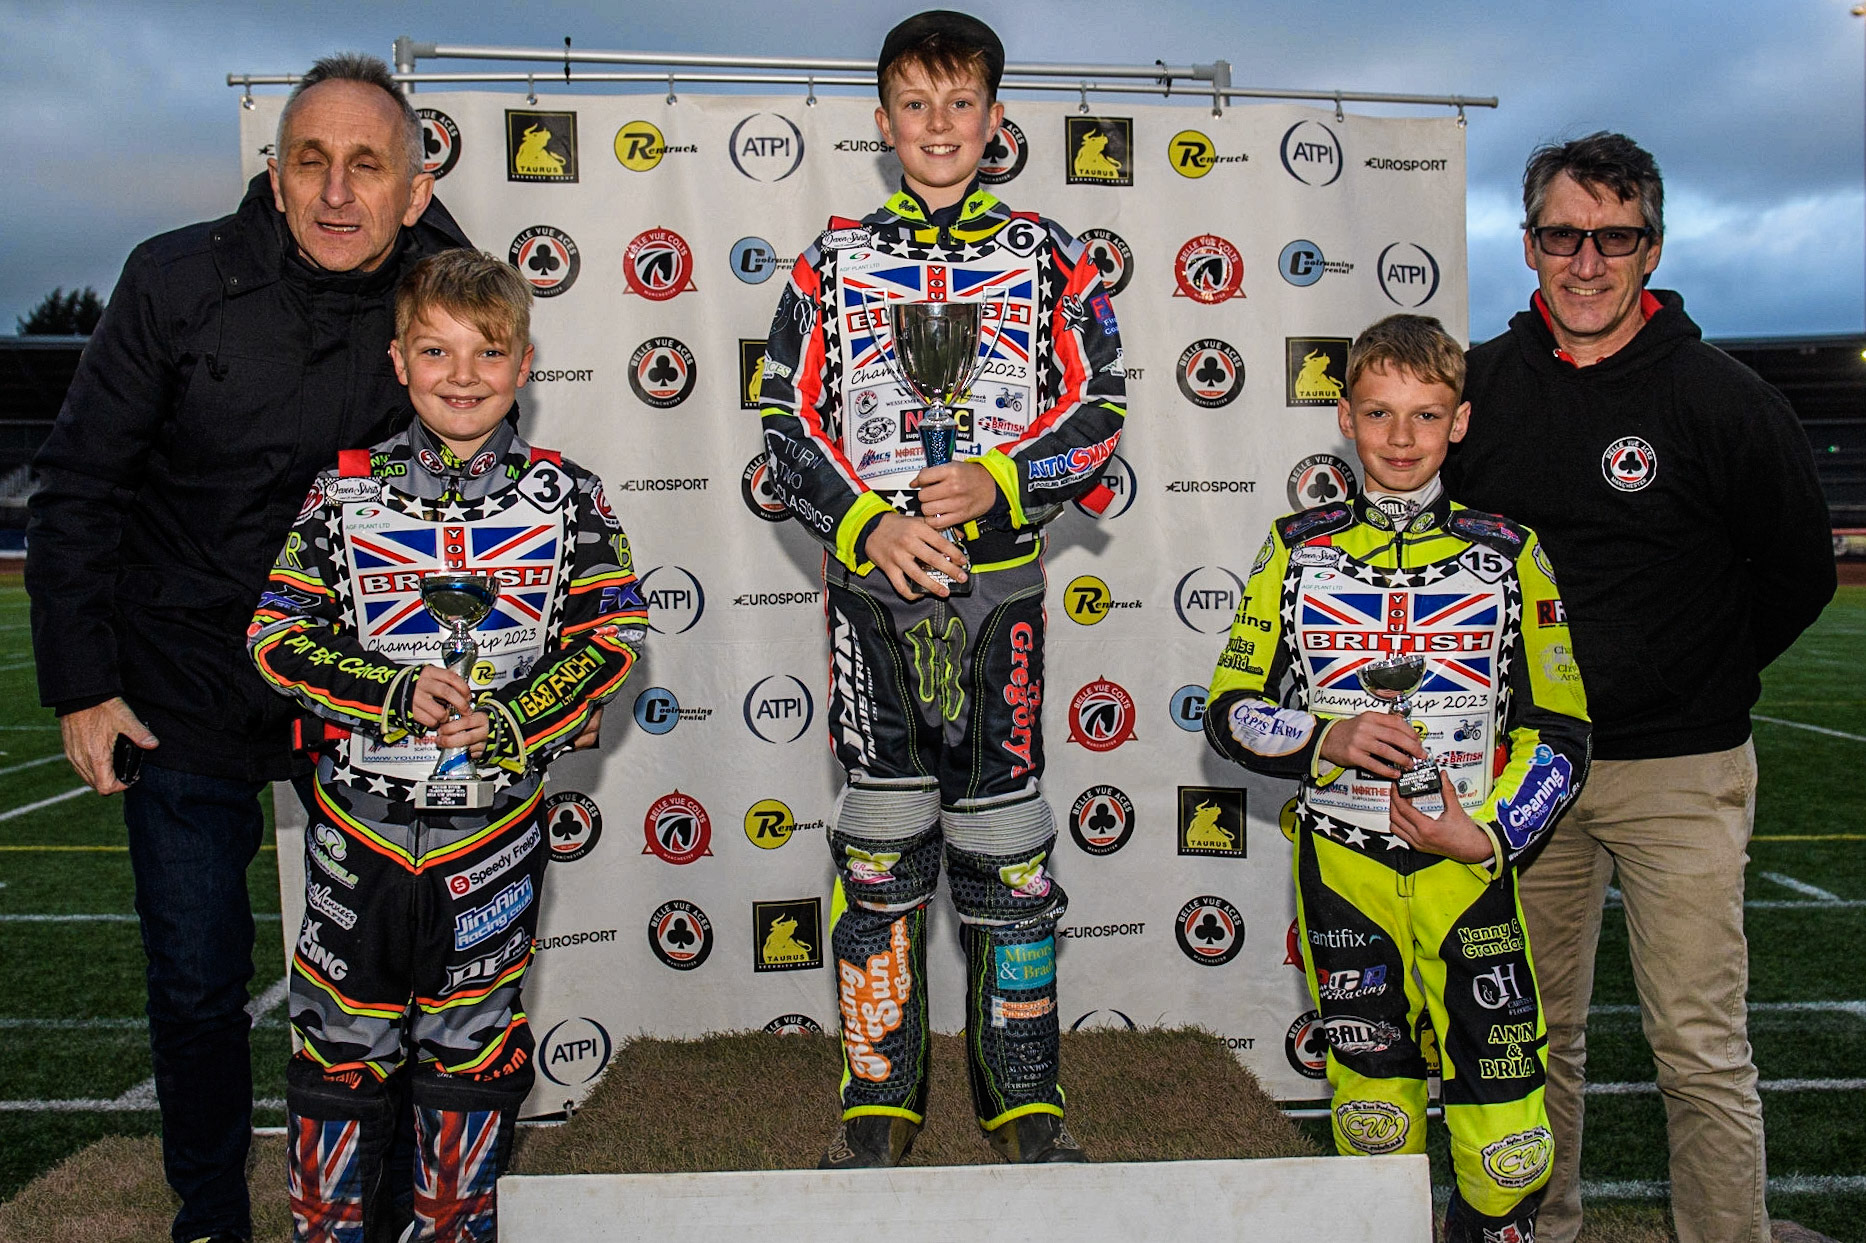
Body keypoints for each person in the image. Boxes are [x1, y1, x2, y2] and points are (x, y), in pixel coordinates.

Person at [24, 54, 469, 1243]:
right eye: (309, 161)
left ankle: (376, 1204)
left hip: (359, 693)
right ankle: (210, 1208)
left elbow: (479, 489)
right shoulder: (171, 281)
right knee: (196, 976)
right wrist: (83, 683)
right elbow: (76, 491)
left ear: (414, 190)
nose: (336, 191)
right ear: (272, 175)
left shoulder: (448, 298)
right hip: (182, 682)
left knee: (383, 975)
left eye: (367, 165)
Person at [1443, 133, 1835, 1243]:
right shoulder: (1483, 391)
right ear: (1530, 244)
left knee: (1700, 1043)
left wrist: (1695, 675)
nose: (1586, 261)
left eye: (1613, 238)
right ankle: (1543, 1225)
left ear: (1650, 251)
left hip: (1684, 771)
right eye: (1564, 235)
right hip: (1530, 774)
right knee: (1534, 1032)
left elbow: (1799, 570)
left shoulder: (1724, 398)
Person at [757, 9, 1126, 1168]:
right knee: (878, 856)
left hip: (999, 595)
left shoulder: (1054, 254)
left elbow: (1103, 405)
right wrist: (869, 524)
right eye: (914, 105)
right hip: (871, 600)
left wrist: (1003, 481)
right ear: (882, 123)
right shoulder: (828, 261)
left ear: (995, 120)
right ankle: (877, 1105)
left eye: (959, 103)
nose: (937, 125)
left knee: (1010, 860)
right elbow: (782, 422)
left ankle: (1027, 1107)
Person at [246, 248, 647, 1238]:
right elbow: (273, 637)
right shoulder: (341, 495)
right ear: (398, 361)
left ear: (523, 365)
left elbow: (615, 638)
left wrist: (510, 717)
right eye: (437, 350)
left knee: (472, 1051)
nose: (461, 374)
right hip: (360, 827)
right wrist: (389, 689)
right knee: (341, 1050)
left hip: (492, 829)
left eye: (487, 351)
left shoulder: (573, 496)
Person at [1204, 314, 1591, 1243]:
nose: (1403, 438)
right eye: (1380, 414)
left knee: (1510, 1139)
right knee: (1372, 1113)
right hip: (1344, 867)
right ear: (1345, 417)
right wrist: (1323, 740)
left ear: (1459, 422)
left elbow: (1563, 731)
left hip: (1468, 867)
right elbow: (1228, 709)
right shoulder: (1296, 547)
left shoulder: (1510, 553)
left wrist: (1488, 836)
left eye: (1427, 415)